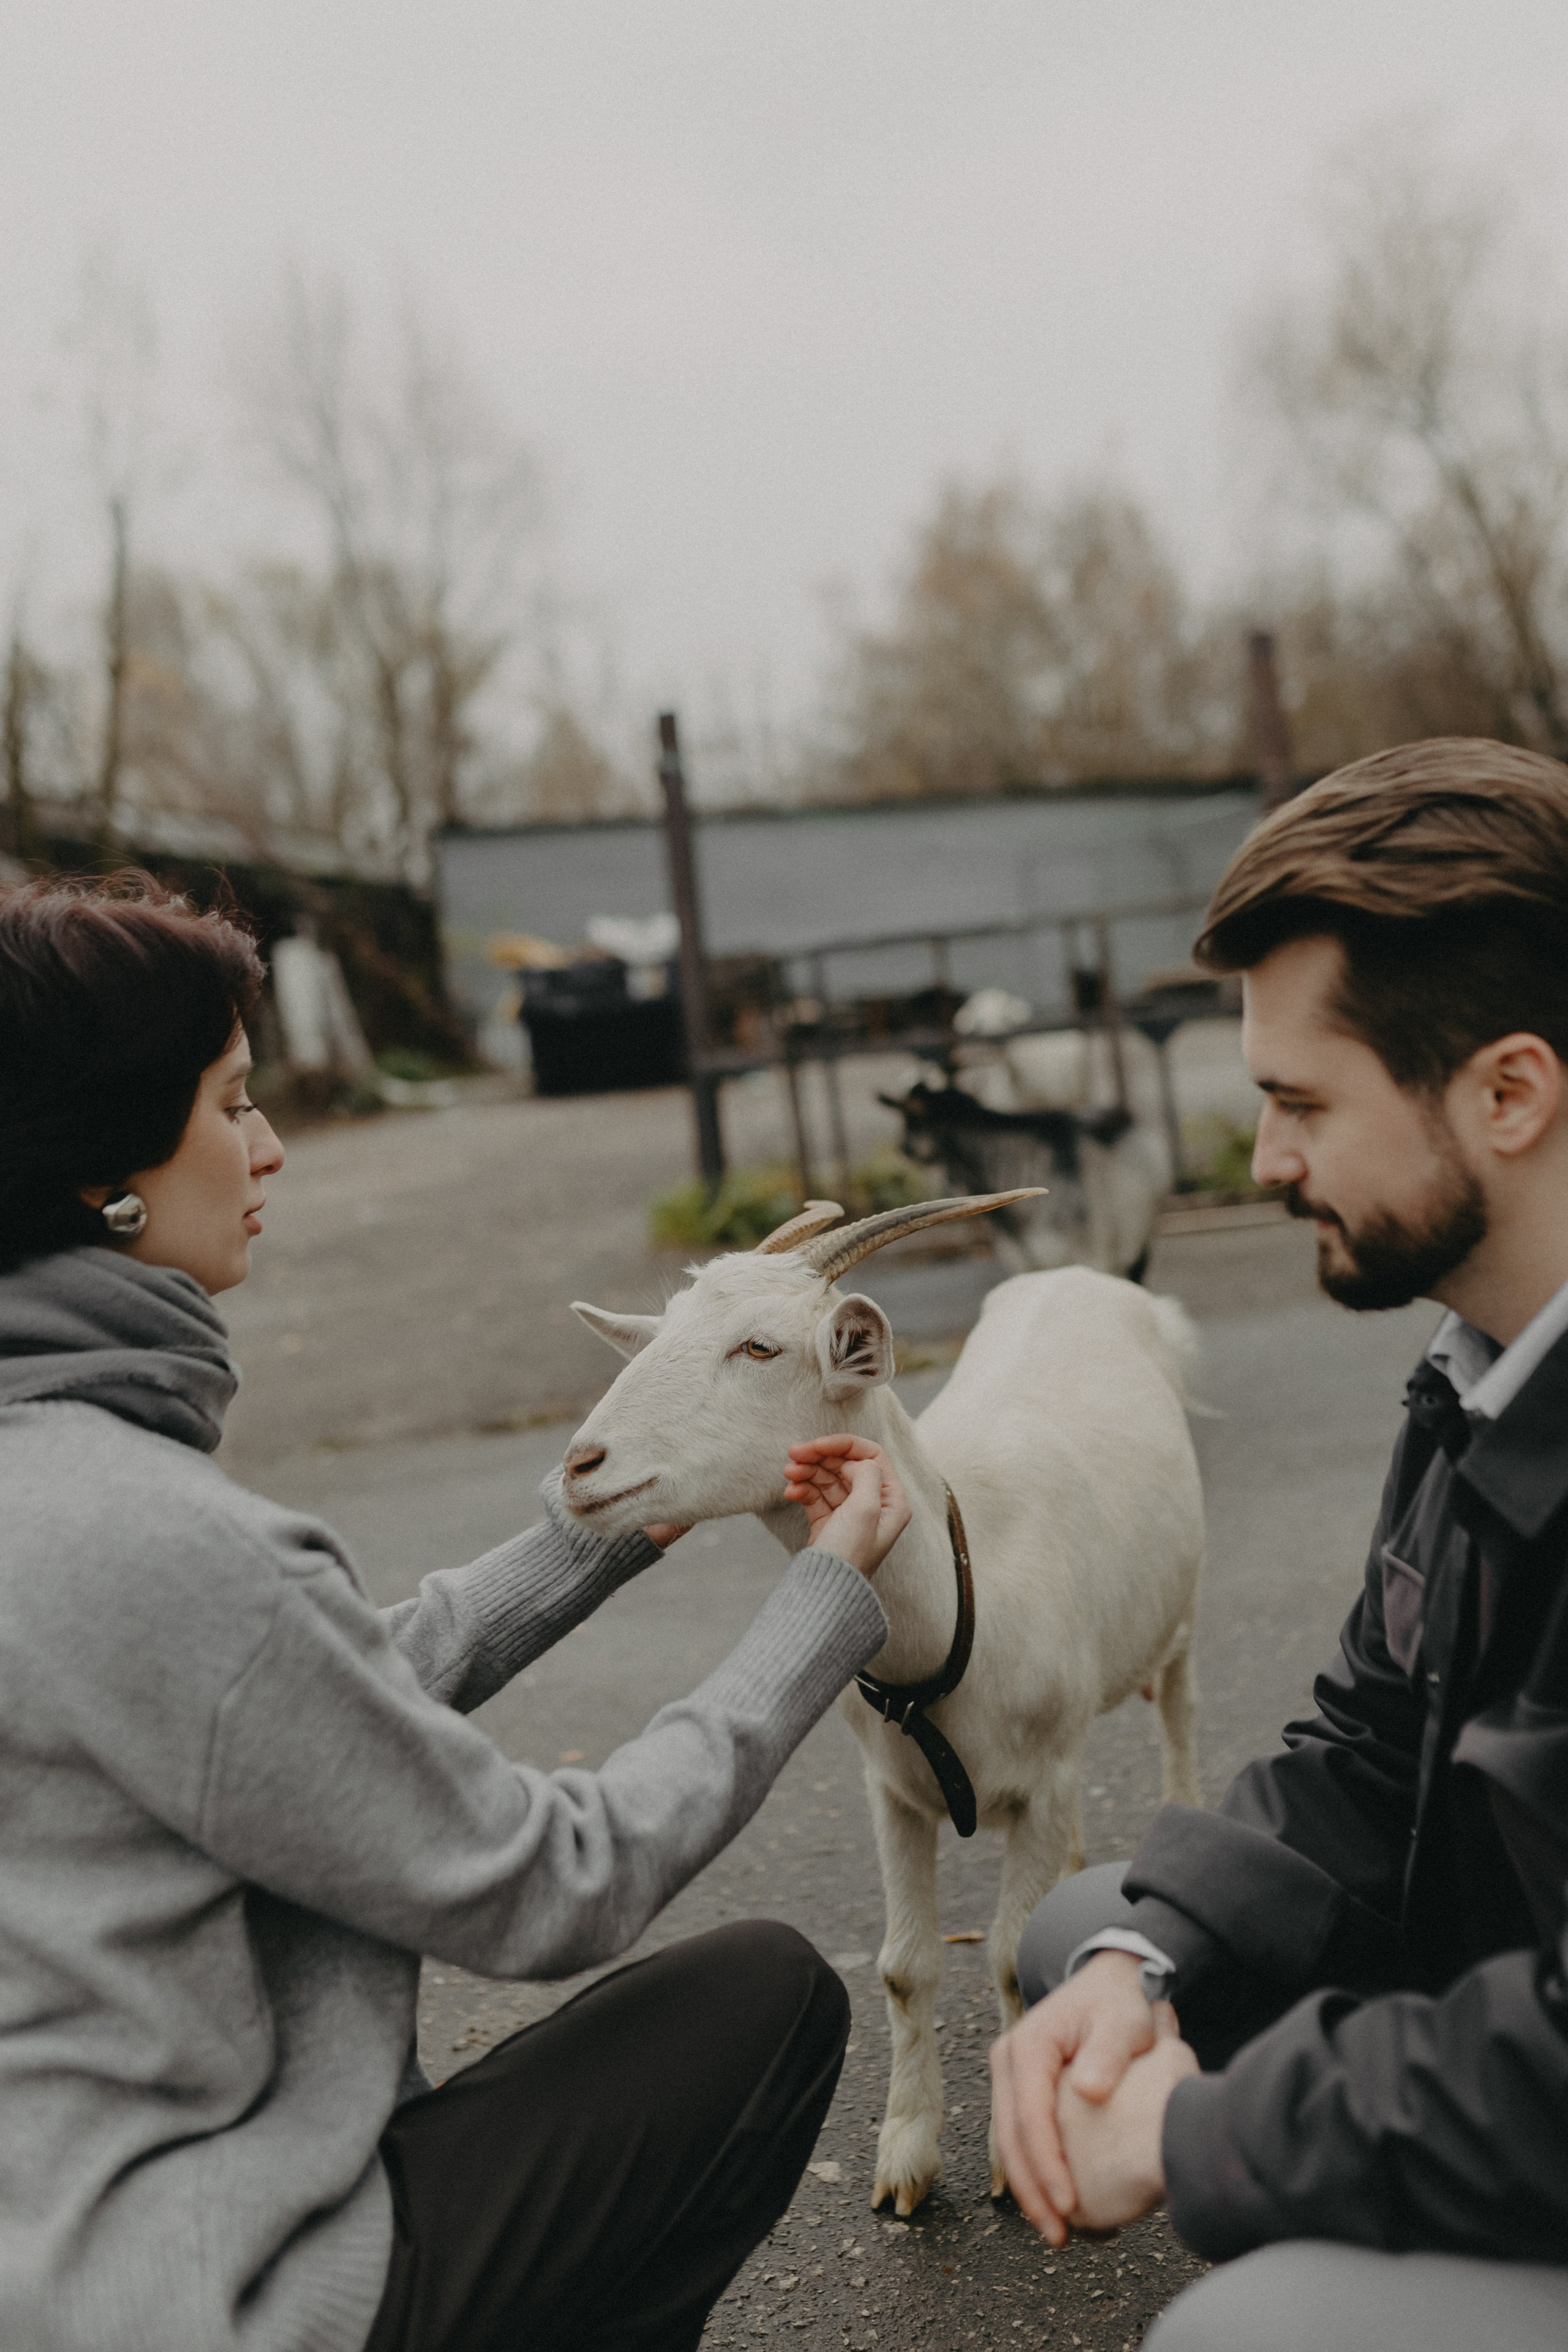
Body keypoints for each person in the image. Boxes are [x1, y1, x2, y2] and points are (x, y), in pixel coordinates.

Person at [0, 871, 913, 2352]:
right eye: (233, 1104)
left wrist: (590, 1541)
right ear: (104, 1166)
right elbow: (556, 1882)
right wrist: (820, 1600)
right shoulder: (151, 1532)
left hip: (46, 2250)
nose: (270, 1147)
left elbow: (301, 1698)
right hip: (216, 2297)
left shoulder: (46, 1483)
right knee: (763, 2004)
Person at [991, 738, 1568, 2352]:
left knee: (1240, 2338)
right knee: (1083, 1940)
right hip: (1507, 1985)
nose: (1264, 1162)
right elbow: (1370, 1745)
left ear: (1507, 1094)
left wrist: (1206, 2137)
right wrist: (1141, 1958)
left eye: (1301, 1102)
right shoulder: (1481, 1372)